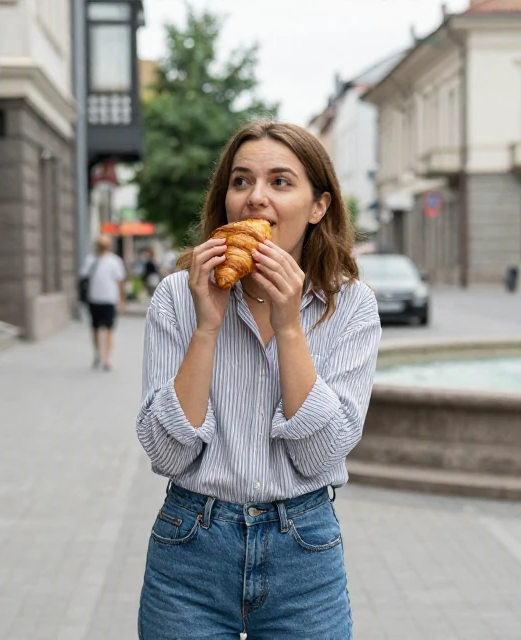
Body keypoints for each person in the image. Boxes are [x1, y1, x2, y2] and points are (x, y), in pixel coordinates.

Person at [134, 121, 381, 639]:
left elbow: (320, 455)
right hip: (190, 550)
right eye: (241, 181)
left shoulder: (351, 306)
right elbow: (167, 454)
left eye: (281, 182)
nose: (256, 199)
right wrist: (207, 326)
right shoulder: (180, 297)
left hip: (304, 551)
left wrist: (290, 328)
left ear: (319, 207)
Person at [79, 234, 127, 371]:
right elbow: (83, 277)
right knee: (96, 329)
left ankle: (105, 358)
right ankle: (98, 354)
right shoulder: (90, 260)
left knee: (108, 329)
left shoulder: (114, 261)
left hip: (108, 299)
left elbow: (120, 282)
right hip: (95, 299)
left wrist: (121, 299)